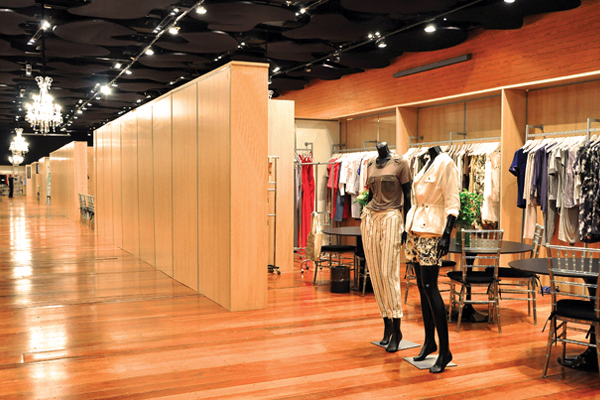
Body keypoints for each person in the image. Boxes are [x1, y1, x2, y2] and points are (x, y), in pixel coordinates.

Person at [404, 146, 459, 373]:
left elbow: (453, 202)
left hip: (432, 233)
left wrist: (447, 234)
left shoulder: (446, 163)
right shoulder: (426, 162)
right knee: (422, 287)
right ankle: (429, 342)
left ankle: (445, 351)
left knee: (430, 287)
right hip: (415, 230)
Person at [360, 142, 412, 353]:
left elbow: (408, 197)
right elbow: (371, 195)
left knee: (388, 273)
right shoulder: (370, 164)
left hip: (392, 216)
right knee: (374, 273)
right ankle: (387, 323)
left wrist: (407, 226)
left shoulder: (401, 164)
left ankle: (397, 328)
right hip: (370, 217)